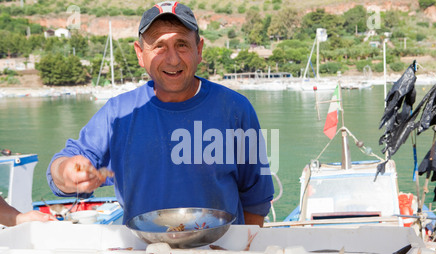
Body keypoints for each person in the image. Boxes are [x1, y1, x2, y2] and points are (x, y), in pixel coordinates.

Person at [47, 1, 274, 227]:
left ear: (199, 50)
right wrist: (67, 172)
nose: (173, 59)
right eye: (159, 46)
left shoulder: (235, 109)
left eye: (182, 44)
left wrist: (244, 251)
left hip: (221, 252)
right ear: (140, 53)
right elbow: (60, 171)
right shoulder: (118, 114)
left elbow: (256, 200)